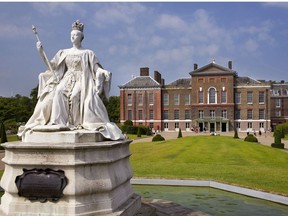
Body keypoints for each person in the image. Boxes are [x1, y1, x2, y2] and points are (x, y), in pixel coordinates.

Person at [18, 20, 124, 141]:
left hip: (82, 79)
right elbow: (51, 65)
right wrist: (41, 52)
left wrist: (103, 72)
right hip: (67, 78)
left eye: (76, 35)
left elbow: (96, 68)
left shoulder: (88, 53)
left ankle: (76, 124)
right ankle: (58, 122)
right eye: (71, 35)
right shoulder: (64, 52)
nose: (73, 37)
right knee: (58, 92)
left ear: (81, 37)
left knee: (75, 96)